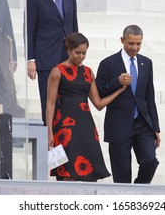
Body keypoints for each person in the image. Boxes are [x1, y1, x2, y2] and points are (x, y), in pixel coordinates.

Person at [46, 32, 126, 181]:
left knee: (90, 171)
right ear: (68, 50)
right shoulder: (57, 71)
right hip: (63, 126)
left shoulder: (88, 72)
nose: (81, 56)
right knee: (66, 171)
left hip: (85, 126)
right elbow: (50, 103)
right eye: (78, 53)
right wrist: (49, 132)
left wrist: (119, 89)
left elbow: (99, 104)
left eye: (84, 53)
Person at [95, 25, 161, 184]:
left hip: (143, 124)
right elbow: (98, 92)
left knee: (150, 161)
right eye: (131, 43)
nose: (135, 47)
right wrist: (116, 82)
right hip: (118, 124)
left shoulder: (147, 63)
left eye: (138, 44)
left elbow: (149, 97)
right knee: (122, 175)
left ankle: (137, 191)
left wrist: (155, 128)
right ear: (122, 40)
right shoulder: (108, 63)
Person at [26, 0, 78, 125]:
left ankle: (66, 144)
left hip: (67, 60)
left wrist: (77, 54)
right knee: (49, 105)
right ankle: (50, 147)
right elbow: (29, 29)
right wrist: (31, 59)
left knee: (68, 106)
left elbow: (73, 28)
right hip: (46, 60)